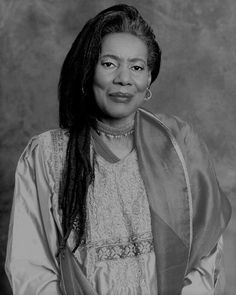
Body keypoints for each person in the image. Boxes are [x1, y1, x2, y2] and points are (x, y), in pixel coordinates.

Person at [5, 4, 231, 295]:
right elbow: (31, 268)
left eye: (137, 67)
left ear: (148, 79)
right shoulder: (47, 154)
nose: (124, 78)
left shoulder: (178, 145)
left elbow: (205, 253)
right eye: (109, 63)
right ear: (88, 70)